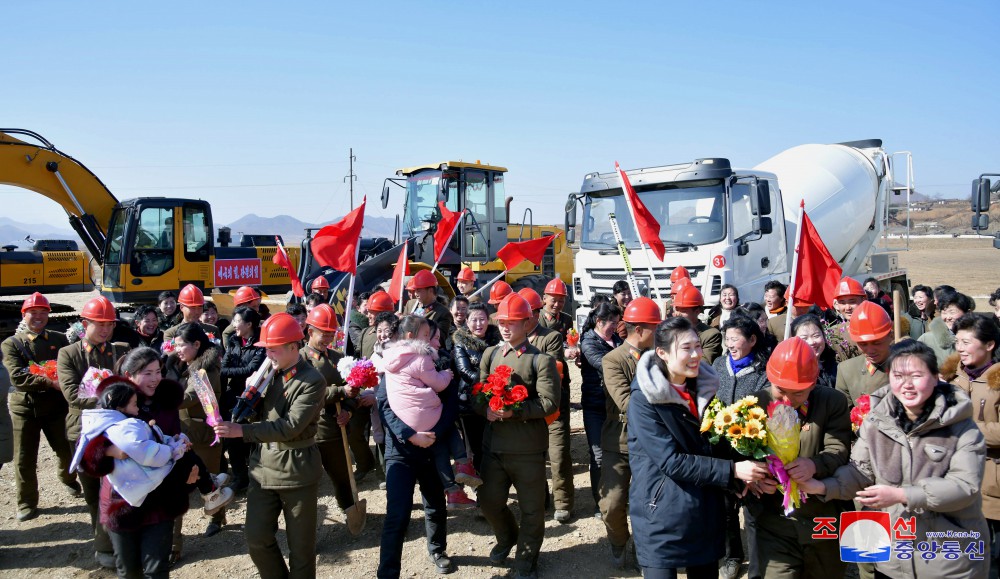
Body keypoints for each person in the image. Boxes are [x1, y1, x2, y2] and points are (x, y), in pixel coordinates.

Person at [799, 340, 989, 579]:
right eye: (898, 375)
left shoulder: (961, 427)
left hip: (948, 561)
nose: (906, 385)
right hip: (892, 559)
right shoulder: (877, 421)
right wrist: (824, 486)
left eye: (917, 375)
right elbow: (860, 472)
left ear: (935, 376)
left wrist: (902, 495)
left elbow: (965, 487)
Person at [629, 316, 770, 579]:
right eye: (686, 348)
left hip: (704, 509)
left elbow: (711, 444)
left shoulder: (704, 389)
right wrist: (733, 471)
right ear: (662, 352)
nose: (696, 355)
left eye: (698, 346)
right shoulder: (644, 400)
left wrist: (744, 476)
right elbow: (671, 461)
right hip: (661, 513)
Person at [213, 313, 326, 579]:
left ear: (293, 347)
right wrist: (250, 397)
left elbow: (290, 427)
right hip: (263, 470)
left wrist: (243, 431)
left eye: (273, 349)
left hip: (297, 471)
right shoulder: (268, 374)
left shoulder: (311, 380)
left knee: (301, 551)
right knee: (256, 538)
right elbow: (257, 415)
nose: (269, 355)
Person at [746, 337, 852, 579]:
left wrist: (813, 464)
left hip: (821, 518)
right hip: (774, 521)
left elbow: (839, 448)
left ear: (813, 384)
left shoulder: (832, 401)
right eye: (780, 390)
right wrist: (755, 478)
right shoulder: (755, 404)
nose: (787, 400)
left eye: (798, 393)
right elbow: (743, 455)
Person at [477, 293, 560, 579]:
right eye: (502, 321)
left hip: (527, 449)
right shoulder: (491, 354)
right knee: (488, 501)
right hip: (495, 446)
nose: (505, 327)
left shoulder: (541, 361)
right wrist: (485, 408)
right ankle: (507, 537)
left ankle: (526, 561)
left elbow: (550, 403)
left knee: (533, 510)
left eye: (512, 322)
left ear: (527, 323)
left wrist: (517, 410)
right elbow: (479, 394)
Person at [71, 380, 233, 514]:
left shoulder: (114, 420)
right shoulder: (122, 426)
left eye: (158, 372)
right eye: (134, 404)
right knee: (185, 455)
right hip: (141, 480)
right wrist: (172, 449)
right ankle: (209, 492)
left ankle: (207, 485)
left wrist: (171, 441)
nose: (138, 408)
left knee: (186, 451)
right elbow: (144, 451)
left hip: (142, 477)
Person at [376, 319, 456, 577]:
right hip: (399, 452)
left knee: (435, 503)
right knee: (397, 513)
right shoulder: (392, 363)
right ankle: (388, 571)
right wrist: (410, 435)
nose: (436, 342)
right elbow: (385, 406)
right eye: (431, 336)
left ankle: (438, 549)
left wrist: (434, 434)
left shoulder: (440, 362)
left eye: (436, 337)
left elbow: (450, 402)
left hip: (432, 447)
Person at [57, 296, 129, 568]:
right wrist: (115, 396)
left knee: (117, 489)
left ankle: (119, 544)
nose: (106, 330)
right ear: (84, 323)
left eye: (109, 324)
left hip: (117, 430)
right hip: (84, 432)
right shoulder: (69, 354)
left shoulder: (120, 350)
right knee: (92, 493)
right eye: (99, 324)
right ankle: (103, 546)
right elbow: (72, 395)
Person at [382, 315, 480, 510]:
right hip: (423, 417)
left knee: (439, 447)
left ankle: (453, 491)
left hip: (406, 419)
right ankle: (462, 463)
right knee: (447, 427)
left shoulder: (391, 357)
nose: (430, 339)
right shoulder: (420, 357)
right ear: (411, 335)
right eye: (427, 335)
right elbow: (439, 384)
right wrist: (447, 375)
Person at [2, 292, 78, 522]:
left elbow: (69, 367)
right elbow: (17, 378)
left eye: (43, 313)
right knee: (25, 458)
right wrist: (51, 382)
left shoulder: (58, 340)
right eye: (33, 313)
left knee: (67, 451)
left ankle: (68, 479)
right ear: (24, 315)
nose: (38, 317)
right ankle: (26, 502)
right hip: (25, 409)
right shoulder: (11, 344)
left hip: (56, 407)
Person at [600, 296, 662, 570]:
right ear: (639, 330)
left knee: (649, 502)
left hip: (653, 441)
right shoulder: (613, 359)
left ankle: (643, 546)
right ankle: (618, 539)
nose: (659, 332)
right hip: (620, 437)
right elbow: (626, 401)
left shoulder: (661, 357)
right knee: (612, 504)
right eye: (654, 327)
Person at [713, 314, 769, 579]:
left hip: (753, 452)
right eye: (727, 338)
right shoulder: (717, 365)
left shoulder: (764, 372)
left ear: (752, 340)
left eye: (736, 339)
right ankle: (733, 556)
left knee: (755, 511)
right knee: (725, 511)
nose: (730, 343)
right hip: (723, 452)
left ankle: (758, 567)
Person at [943, 313, 1000, 570]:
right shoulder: (949, 378)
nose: (960, 348)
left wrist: (966, 428)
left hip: (991, 484)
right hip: (953, 482)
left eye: (967, 342)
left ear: (990, 345)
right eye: (958, 341)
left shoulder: (996, 382)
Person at [164, 322, 228, 542]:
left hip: (203, 434)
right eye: (176, 345)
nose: (177, 349)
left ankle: (217, 518)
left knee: (210, 483)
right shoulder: (181, 363)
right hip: (182, 431)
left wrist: (162, 401)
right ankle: (174, 541)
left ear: (197, 344)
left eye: (182, 345)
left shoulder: (207, 368)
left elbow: (191, 397)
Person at [519, 286, 574, 523]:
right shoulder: (514, 337)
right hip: (529, 408)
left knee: (559, 455)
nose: (527, 317)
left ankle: (563, 502)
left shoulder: (551, 337)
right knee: (533, 456)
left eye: (531, 313)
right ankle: (540, 499)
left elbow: (553, 368)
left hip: (553, 405)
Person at [300, 304, 358, 520]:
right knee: (309, 481)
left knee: (342, 474)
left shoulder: (339, 358)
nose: (327, 338)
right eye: (323, 334)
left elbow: (353, 391)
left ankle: (350, 508)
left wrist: (349, 411)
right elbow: (307, 396)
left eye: (331, 334)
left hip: (336, 430)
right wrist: (341, 391)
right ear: (310, 332)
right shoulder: (300, 360)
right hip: (310, 430)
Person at [579, 301, 623, 516]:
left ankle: (618, 496)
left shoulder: (616, 339)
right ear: (599, 321)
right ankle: (600, 501)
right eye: (612, 323)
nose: (615, 327)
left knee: (617, 453)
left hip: (615, 406)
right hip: (595, 406)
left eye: (617, 323)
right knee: (597, 455)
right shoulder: (588, 341)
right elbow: (605, 365)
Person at [347, 290, 395, 480]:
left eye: (373, 312)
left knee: (382, 430)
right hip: (364, 388)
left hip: (383, 391)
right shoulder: (366, 331)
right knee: (355, 428)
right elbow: (361, 357)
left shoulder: (394, 336)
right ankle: (365, 463)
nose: (368, 315)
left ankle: (385, 470)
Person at [452, 301, 501, 474]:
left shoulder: (498, 340)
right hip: (471, 401)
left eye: (482, 319)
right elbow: (465, 371)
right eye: (474, 320)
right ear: (467, 321)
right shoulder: (461, 343)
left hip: (496, 398)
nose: (478, 324)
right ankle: (480, 483)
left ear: (488, 320)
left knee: (495, 444)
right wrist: (490, 383)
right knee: (476, 446)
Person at [219, 306, 265, 493]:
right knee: (232, 440)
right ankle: (240, 477)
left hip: (255, 397)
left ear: (249, 324)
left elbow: (252, 370)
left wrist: (234, 371)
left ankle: (257, 477)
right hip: (234, 396)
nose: (234, 325)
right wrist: (237, 372)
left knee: (253, 438)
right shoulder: (233, 340)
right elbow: (224, 367)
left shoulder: (261, 343)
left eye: (237, 321)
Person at [837, 301, 893, 408]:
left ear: (891, 336)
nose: (870, 350)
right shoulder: (846, 370)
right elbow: (842, 416)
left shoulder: (908, 364)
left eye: (877, 343)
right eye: (863, 344)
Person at [919, 291, 975, 366]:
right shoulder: (926, 339)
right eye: (944, 313)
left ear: (968, 313)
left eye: (952, 312)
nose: (948, 317)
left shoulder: (979, 338)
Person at [672, 284, 723, 363]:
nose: (678, 314)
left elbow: (703, 364)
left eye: (683, 310)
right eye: (677, 309)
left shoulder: (710, 335)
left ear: (697, 311)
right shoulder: (670, 331)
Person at [791, 313, 838, 389]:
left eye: (816, 336)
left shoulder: (835, 362)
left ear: (824, 336)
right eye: (804, 338)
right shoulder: (793, 371)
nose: (812, 342)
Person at [827, 277, 866, 362]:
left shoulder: (877, 325)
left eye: (852, 302)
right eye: (843, 303)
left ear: (863, 300)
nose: (848, 308)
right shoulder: (833, 333)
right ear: (836, 305)